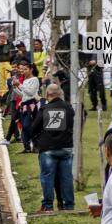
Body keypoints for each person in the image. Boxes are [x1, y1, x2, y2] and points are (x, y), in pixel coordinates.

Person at [30, 83, 75, 213]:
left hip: (48, 148)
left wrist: (38, 141)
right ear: (60, 93)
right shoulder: (69, 108)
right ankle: (69, 206)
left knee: (47, 178)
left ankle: (48, 206)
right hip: (66, 148)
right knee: (66, 177)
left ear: (47, 94)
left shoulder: (45, 109)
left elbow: (34, 128)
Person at [12, 60, 39, 153]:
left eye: (25, 69)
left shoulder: (34, 80)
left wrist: (19, 85)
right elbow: (23, 95)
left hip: (31, 105)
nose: (23, 71)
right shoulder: (26, 81)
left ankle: (36, 145)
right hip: (24, 105)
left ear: (31, 69)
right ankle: (26, 147)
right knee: (23, 127)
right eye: (21, 69)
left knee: (28, 126)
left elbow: (31, 93)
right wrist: (15, 88)